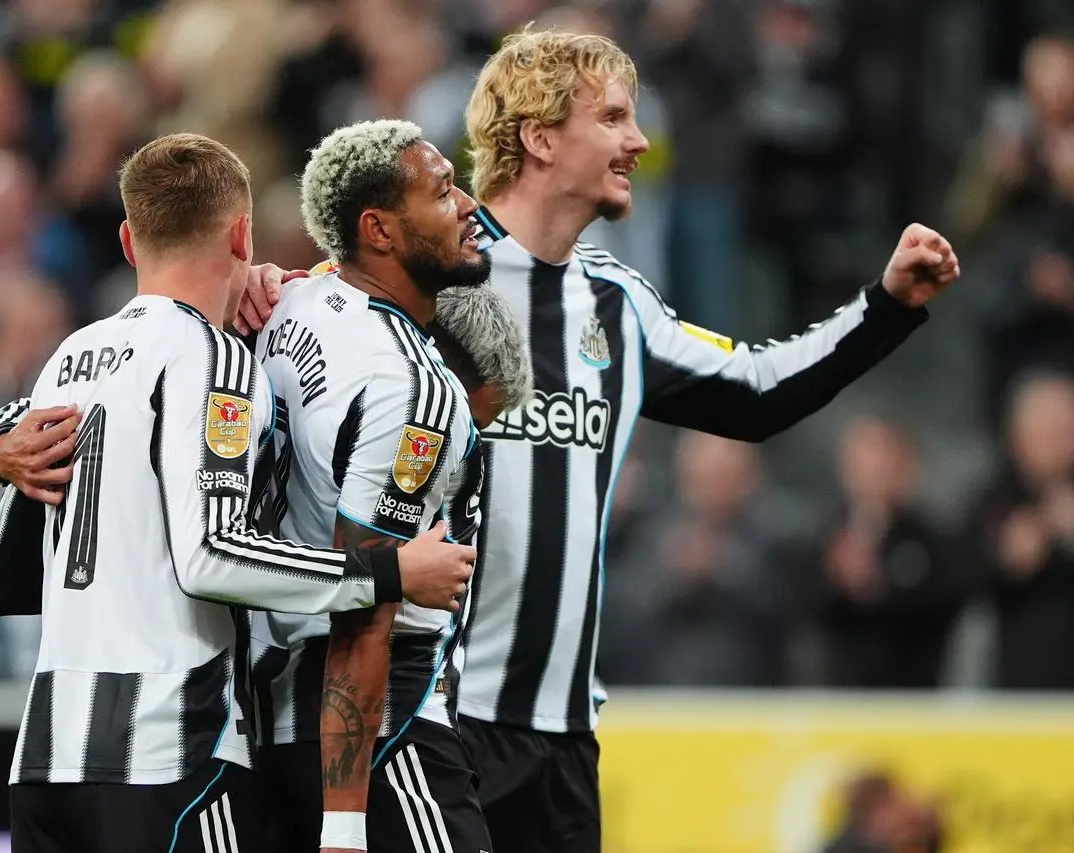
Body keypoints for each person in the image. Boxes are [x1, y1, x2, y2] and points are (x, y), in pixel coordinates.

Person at [235, 26, 963, 853]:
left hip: (563, 735)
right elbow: (284, 369)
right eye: (614, 118)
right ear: (542, 138)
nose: (639, 141)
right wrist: (258, 290)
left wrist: (887, 305)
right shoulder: (420, 279)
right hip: (437, 714)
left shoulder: (619, 305)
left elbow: (759, 392)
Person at [0, 132, 475, 853]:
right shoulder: (212, 358)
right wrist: (389, 572)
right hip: (166, 749)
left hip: (47, 753)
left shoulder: (70, 356)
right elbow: (210, 555)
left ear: (127, 239)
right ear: (242, 232)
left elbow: (9, 569)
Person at [250, 120, 529, 853]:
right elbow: (366, 602)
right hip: (380, 725)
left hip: (273, 711)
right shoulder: (415, 390)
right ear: (377, 228)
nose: (468, 203)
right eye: (441, 191)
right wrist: (346, 823)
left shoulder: (293, 301)